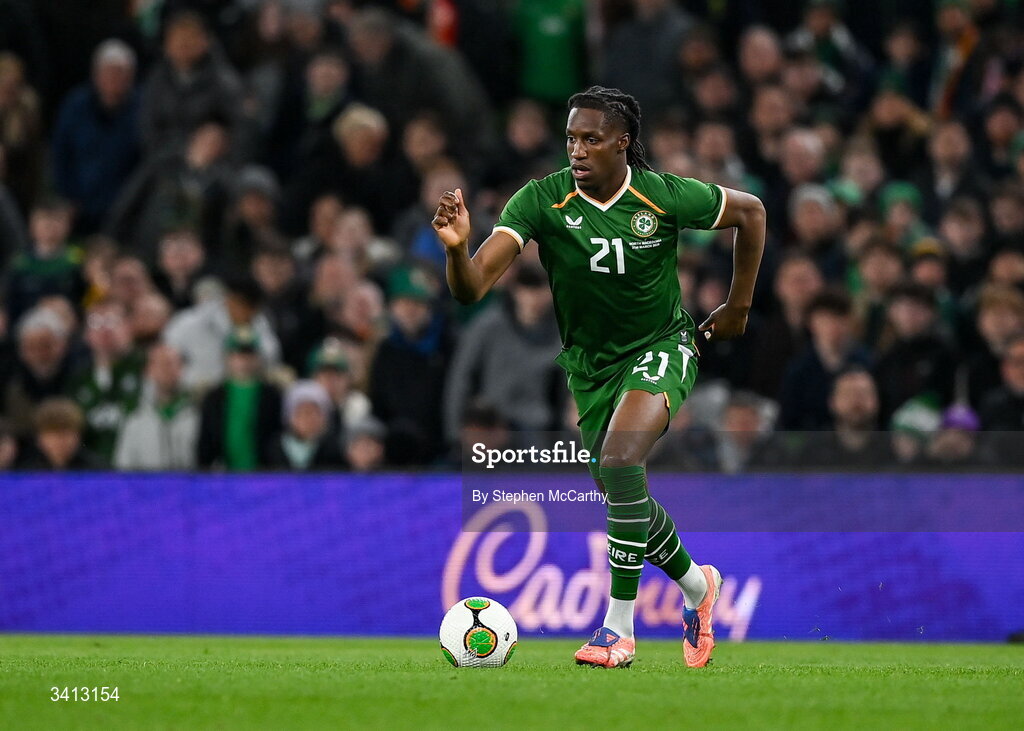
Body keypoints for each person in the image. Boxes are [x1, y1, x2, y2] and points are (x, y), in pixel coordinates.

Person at [432, 86, 766, 668]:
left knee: (618, 463)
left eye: (590, 139)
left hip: (664, 345)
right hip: (591, 369)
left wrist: (738, 306)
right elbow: (471, 289)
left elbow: (751, 211)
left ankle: (618, 630)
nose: (577, 151)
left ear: (623, 144)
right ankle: (697, 587)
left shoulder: (660, 195)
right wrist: (459, 251)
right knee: (622, 487)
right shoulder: (540, 201)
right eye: (570, 139)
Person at [113, 343, 199, 471]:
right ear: (148, 370)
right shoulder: (136, 420)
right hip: (147, 489)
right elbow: (123, 469)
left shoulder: (198, 414)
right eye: (162, 364)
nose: (168, 370)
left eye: (174, 363)